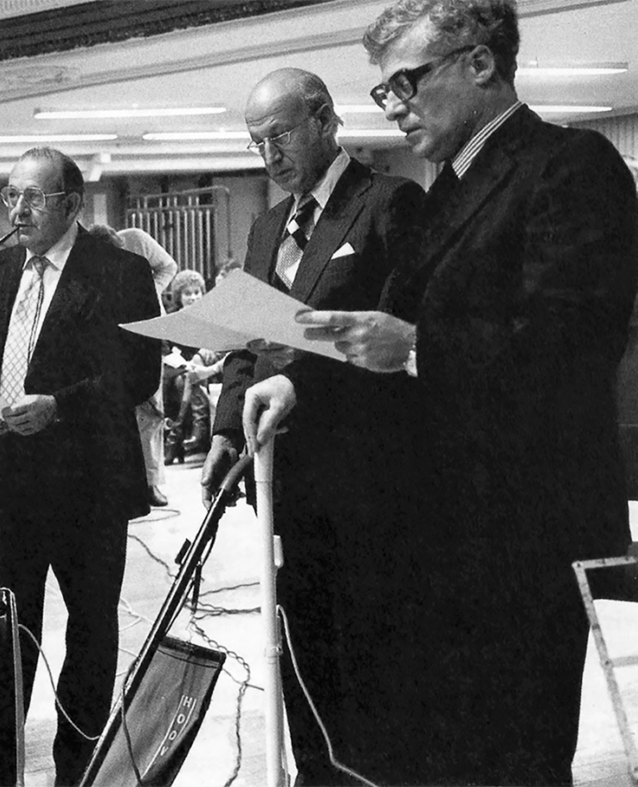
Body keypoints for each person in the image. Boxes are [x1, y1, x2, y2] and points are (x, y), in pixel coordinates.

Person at [248, 2, 638, 784]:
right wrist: (297, 381)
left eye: (405, 83)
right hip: (436, 541)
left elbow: (571, 347)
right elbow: (381, 322)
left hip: (523, 538)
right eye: (383, 92)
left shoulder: (572, 165)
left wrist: (421, 348)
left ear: (480, 63)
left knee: (514, 761)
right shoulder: (448, 190)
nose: (391, 107)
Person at [200, 68, 423, 785]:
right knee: (300, 640)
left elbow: (399, 336)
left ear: (325, 120)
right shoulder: (267, 227)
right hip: (283, 479)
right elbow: (247, 339)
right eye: (255, 141)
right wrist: (225, 427)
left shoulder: (390, 203)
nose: (268, 153)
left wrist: (299, 382)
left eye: (280, 134)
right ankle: (316, 770)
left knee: (369, 648)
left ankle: (372, 771)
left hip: (368, 481)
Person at [0, 147, 160, 787]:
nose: (18, 210)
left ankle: (75, 764)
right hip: (10, 482)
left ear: (72, 205)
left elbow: (137, 374)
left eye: (33, 197)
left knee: (89, 631)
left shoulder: (120, 271)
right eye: (11, 196)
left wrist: (58, 406)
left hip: (89, 484)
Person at [118, 227, 178, 506]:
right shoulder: (85, 250)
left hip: (150, 335)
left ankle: (151, 483)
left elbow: (168, 266)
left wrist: (146, 292)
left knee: (151, 413)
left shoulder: (135, 239)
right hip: (115, 338)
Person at [162, 270, 224, 464]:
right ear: (179, 296)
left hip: (200, 368)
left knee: (184, 380)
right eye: (188, 293)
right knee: (173, 377)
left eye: (197, 292)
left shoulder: (210, 317)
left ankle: (175, 437)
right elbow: (165, 348)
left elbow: (215, 347)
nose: (193, 297)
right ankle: (196, 428)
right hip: (178, 368)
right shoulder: (172, 319)